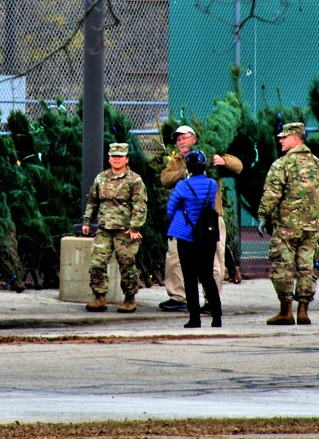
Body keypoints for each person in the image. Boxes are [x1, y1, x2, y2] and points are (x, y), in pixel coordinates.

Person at [159, 124, 243, 312]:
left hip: (209, 219)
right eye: (178, 139)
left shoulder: (209, 156)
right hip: (185, 220)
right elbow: (165, 179)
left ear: (194, 139)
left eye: (184, 138)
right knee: (175, 257)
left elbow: (238, 166)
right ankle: (179, 297)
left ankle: (210, 300)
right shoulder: (176, 161)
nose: (181, 142)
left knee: (213, 260)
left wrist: (224, 161)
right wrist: (186, 171)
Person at [257, 122, 319, 326]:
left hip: (287, 226)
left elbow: (272, 193)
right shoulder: (318, 164)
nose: (280, 140)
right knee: (306, 267)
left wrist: (263, 216)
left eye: (284, 137)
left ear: (296, 138)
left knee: (283, 266)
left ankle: (285, 311)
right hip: (311, 225)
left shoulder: (282, 164)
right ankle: (303, 311)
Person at [81, 142, 148, 313]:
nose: (116, 159)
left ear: (126, 159)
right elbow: (93, 201)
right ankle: (99, 297)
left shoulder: (134, 180)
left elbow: (139, 205)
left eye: (120, 156)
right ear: (109, 158)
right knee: (96, 263)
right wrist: (87, 222)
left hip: (124, 230)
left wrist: (134, 227)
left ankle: (130, 298)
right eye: (113, 156)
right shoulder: (101, 178)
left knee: (127, 264)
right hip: (104, 228)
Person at [166, 150, 223, 328]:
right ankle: (216, 317)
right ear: (204, 165)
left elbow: (170, 208)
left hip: (186, 235)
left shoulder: (182, 185)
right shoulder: (212, 184)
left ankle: (194, 318)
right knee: (207, 276)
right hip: (207, 235)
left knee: (190, 278)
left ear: (188, 167)